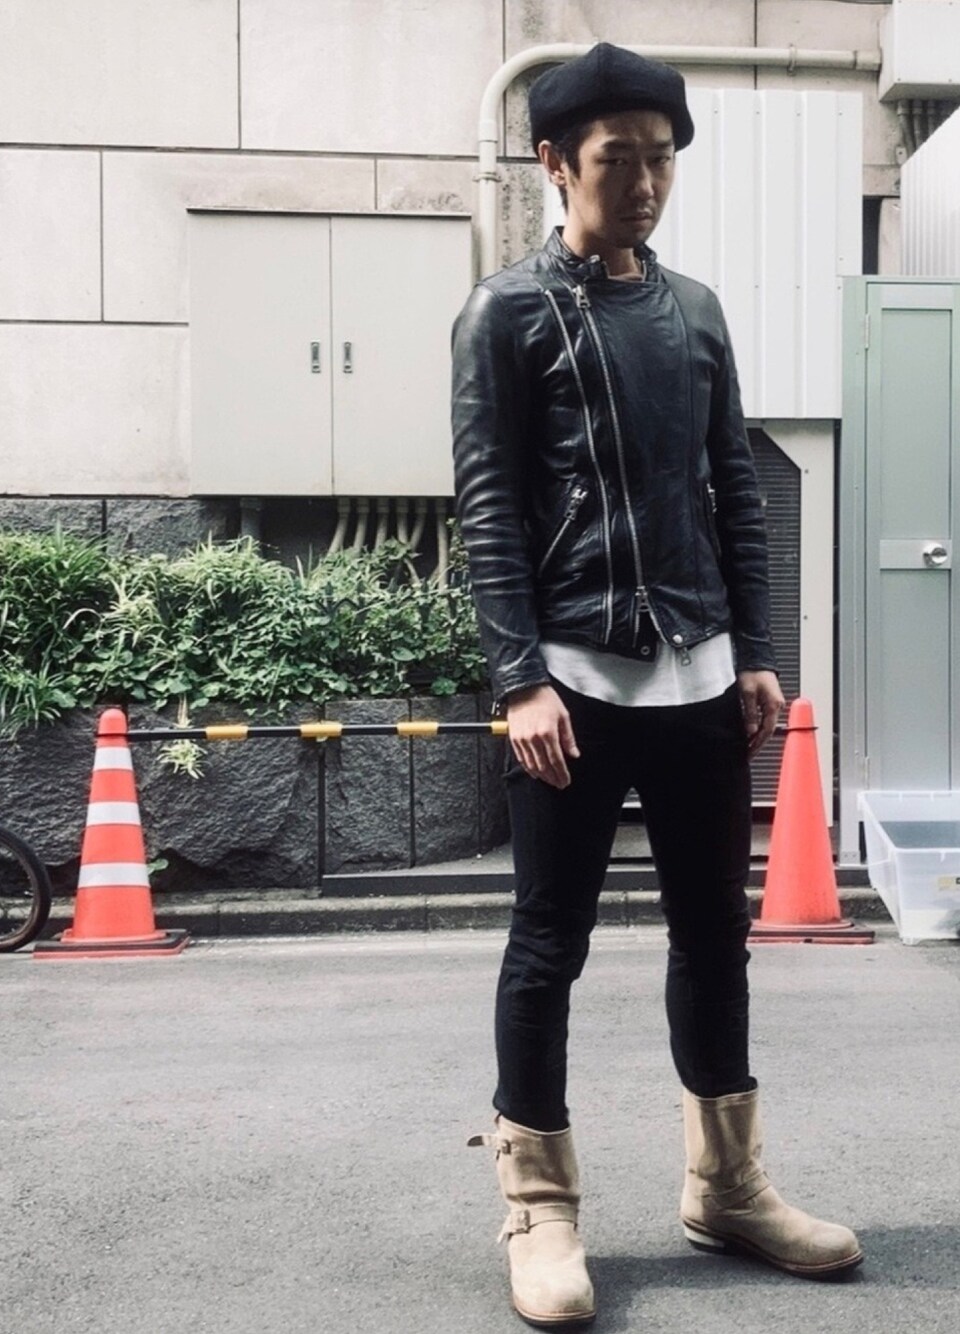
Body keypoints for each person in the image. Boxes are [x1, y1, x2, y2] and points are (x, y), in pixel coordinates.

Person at [453, 43, 862, 1328]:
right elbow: (487, 508)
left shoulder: (694, 310)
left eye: (661, 159)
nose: (642, 182)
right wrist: (519, 676)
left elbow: (731, 483)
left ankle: (726, 1184)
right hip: (569, 684)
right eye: (616, 159)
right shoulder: (504, 314)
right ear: (553, 163)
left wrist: (755, 648)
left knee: (714, 938)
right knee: (547, 944)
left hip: (697, 678)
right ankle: (539, 1206)